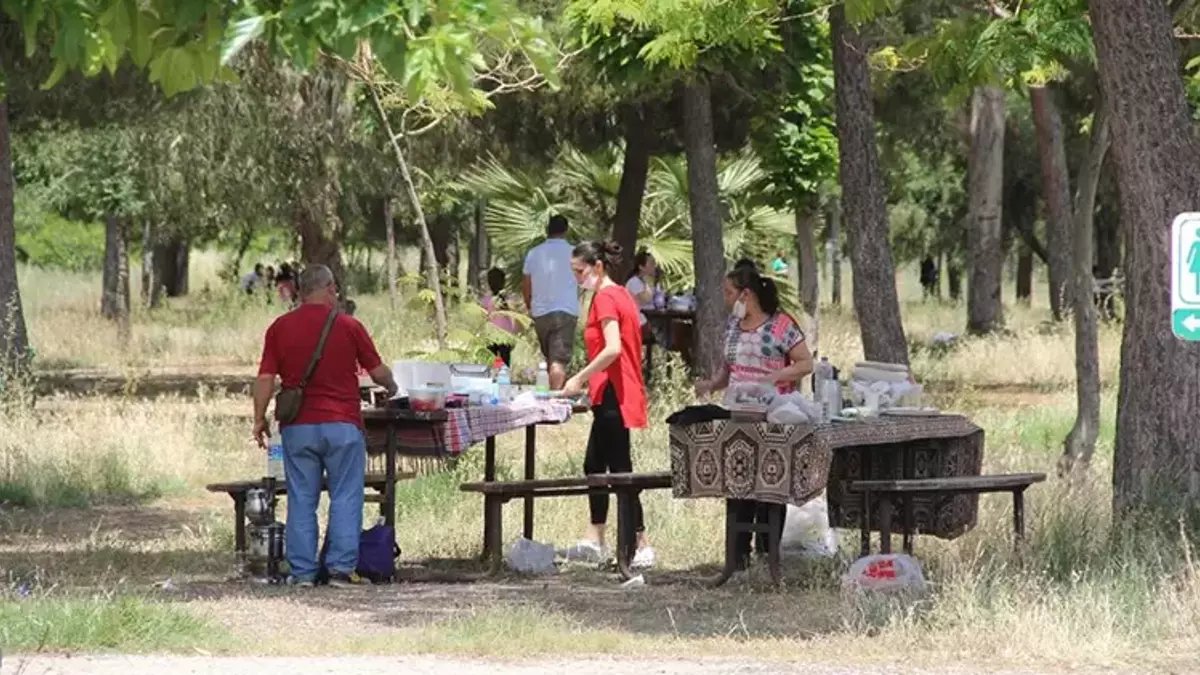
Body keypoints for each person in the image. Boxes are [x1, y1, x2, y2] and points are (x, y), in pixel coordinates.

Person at [252, 264, 398, 588]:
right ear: (330, 288)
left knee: (301, 497)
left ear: (302, 291)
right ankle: (339, 571)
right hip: (342, 426)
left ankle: (302, 572)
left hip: (298, 428)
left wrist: (259, 418)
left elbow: (265, 379)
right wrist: (394, 388)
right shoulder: (349, 326)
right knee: (346, 496)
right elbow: (377, 372)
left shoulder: (279, 327)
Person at [695, 260, 814, 567]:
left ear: (746, 294)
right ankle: (738, 555)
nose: (726, 298)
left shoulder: (781, 325)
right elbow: (727, 370)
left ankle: (767, 551)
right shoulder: (732, 327)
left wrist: (775, 377)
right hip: (737, 417)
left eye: (729, 292)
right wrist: (710, 385)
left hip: (774, 418)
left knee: (770, 485)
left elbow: (805, 363)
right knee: (737, 482)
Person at [561, 240, 654, 568]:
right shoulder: (621, 296)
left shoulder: (606, 297)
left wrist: (579, 378)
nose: (577, 278)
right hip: (610, 392)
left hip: (615, 393)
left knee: (620, 470)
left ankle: (640, 543)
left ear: (597, 266)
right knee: (595, 466)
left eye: (580, 271)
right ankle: (596, 537)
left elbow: (613, 348)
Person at [523, 214, 579, 389]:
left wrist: (530, 306)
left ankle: (549, 394)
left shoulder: (534, 253)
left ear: (548, 230)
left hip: (541, 312)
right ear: (566, 230)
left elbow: (526, 284)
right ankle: (554, 400)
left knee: (550, 359)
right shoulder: (575, 254)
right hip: (566, 310)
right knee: (558, 361)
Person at [625, 250, 668, 348]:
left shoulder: (644, 283)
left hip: (652, 318)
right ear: (641, 267)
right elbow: (646, 299)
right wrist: (650, 282)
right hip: (639, 321)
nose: (654, 266)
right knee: (674, 331)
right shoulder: (634, 282)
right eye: (651, 263)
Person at [481, 268, 518, 366]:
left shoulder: (487, 299)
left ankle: (493, 378)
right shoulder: (508, 299)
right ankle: (500, 379)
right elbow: (514, 318)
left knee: (491, 362)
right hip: (504, 335)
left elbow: (484, 317)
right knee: (504, 363)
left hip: (492, 334)